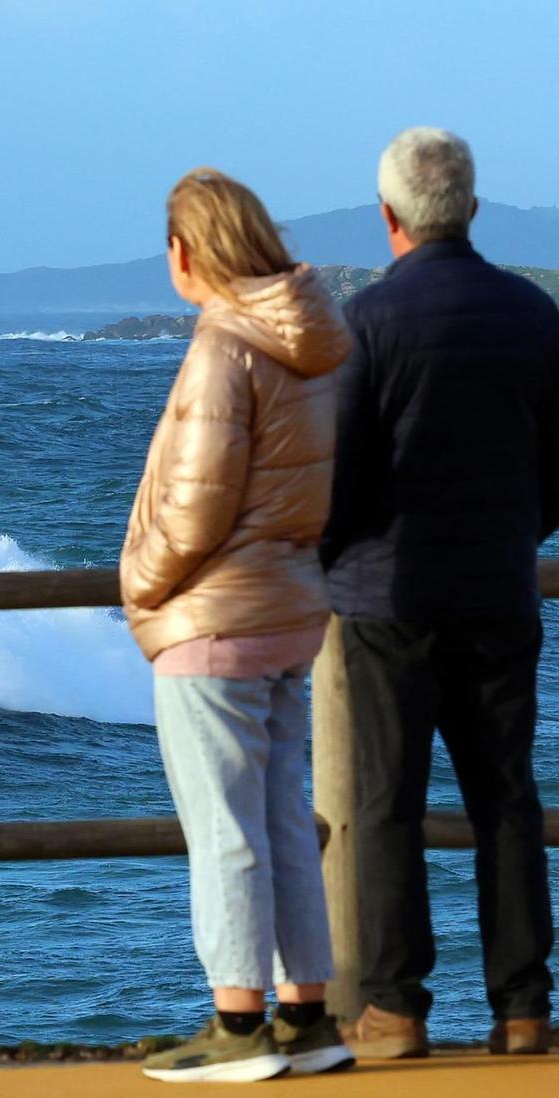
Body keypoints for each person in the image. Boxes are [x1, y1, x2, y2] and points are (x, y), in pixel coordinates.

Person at [320, 126, 558, 1059]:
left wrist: (337, 557)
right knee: (508, 799)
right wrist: (515, 532)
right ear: (473, 210)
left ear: (389, 219)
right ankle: (524, 1006)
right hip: (500, 588)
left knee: (387, 804)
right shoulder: (534, 316)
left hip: (387, 599)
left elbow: (337, 474)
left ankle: (394, 1008)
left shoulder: (369, 321)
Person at [121, 168, 356, 1082]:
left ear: (188, 251)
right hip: (289, 609)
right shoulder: (307, 344)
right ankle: (308, 1018)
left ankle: (239, 1025)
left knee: (225, 828)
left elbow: (196, 508)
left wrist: (140, 582)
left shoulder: (225, 346)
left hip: (214, 619)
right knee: (282, 821)